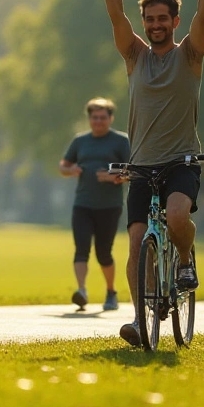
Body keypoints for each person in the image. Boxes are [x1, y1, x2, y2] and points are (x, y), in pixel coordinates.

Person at [94, 0, 204, 347]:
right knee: (135, 245)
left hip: (181, 161)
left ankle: (184, 261)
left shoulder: (191, 56)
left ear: (174, 22)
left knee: (179, 218)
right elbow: (116, 17)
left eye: (162, 18)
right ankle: (137, 319)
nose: (155, 25)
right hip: (141, 163)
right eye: (149, 19)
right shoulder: (135, 56)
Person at [58, 98, 131, 312]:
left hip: (109, 205)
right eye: (94, 118)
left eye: (102, 118)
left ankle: (111, 292)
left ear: (110, 118)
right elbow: (64, 164)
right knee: (81, 249)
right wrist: (70, 170)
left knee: (103, 252)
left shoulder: (120, 141)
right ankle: (81, 291)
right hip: (83, 203)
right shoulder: (80, 141)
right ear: (89, 119)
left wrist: (113, 177)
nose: (98, 122)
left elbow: (132, 170)